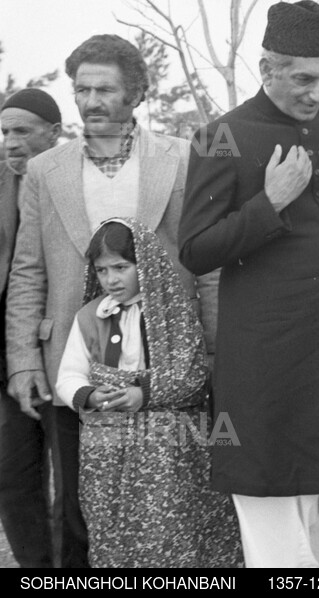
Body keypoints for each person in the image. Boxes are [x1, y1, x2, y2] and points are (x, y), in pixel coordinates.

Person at [178, 0, 319, 568]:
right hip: (271, 360)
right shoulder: (220, 136)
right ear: (266, 68)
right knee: (276, 507)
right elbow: (196, 251)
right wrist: (267, 203)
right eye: (303, 78)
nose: (317, 92)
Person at [6, 35, 218, 569]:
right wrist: (24, 360)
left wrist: (214, 351)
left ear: (136, 95)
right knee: (78, 507)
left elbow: (206, 263)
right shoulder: (45, 170)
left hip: (164, 359)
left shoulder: (180, 158)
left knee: (172, 495)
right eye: (82, 89)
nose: (92, 100)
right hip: (76, 361)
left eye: (105, 89)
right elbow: (28, 271)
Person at [56, 219, 242, 568]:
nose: (111, 279)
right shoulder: (88, 317)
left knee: (170, 525)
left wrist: (144, 393)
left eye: (121, 267)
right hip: (108, 455)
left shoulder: (174, 315)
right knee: (113, 525)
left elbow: (191, 376)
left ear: (148, 264)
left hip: (169, 453)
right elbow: (68, 376)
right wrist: (91, 396)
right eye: (101, 270)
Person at [0, 89, 61, 567]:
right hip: (7, 357)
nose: (10, 142)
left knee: (76, 479)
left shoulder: (70, 180)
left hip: (66, 349)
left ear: (53, 133)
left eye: (22, 131)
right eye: (4, 132)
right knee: (13, 476)